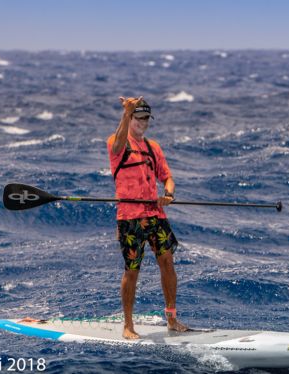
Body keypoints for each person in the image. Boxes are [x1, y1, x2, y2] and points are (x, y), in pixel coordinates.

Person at [106, 96, 189, 339]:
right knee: (132, 271)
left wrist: (169, 194)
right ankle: (128, 326)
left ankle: (172, 319)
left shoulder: (154, 147)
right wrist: (125, 113)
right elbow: (118, 142)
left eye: (146, 118)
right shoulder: (117, 143)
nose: (143, 122)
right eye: (139, 118)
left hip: (155, 214)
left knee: (167, 262)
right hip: (130, 217)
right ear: (130, 119)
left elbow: (168, 178)